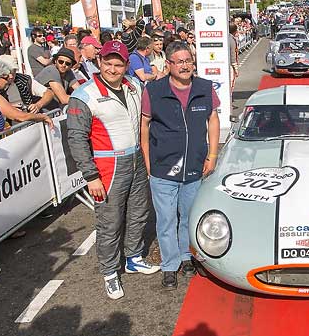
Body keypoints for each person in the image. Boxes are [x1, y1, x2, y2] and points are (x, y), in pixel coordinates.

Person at [67, 40, 157, 300]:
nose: (113, 69)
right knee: (109, 222)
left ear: (126, 65)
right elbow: (76, 139)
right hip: (108, 166)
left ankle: (133, 257)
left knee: (139, 213)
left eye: (118, 64)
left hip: (136, 160)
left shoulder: (135, 85)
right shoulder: (84, 95)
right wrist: (91, 175)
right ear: (99, 62)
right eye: (108, 63)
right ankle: (109, 272)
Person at [140, 41, 220, 290]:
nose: (185, 66)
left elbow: (213, 120)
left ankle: (187, 257)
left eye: (188, 61)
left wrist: (213, 155)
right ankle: (169, 265)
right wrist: (148, 162)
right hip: (163, 168)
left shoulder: (205, 88)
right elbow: (144, 128)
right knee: (166, 220)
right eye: (179, 61)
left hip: (195, 166)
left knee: (188, 217)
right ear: (169, 64)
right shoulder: (153, 90)